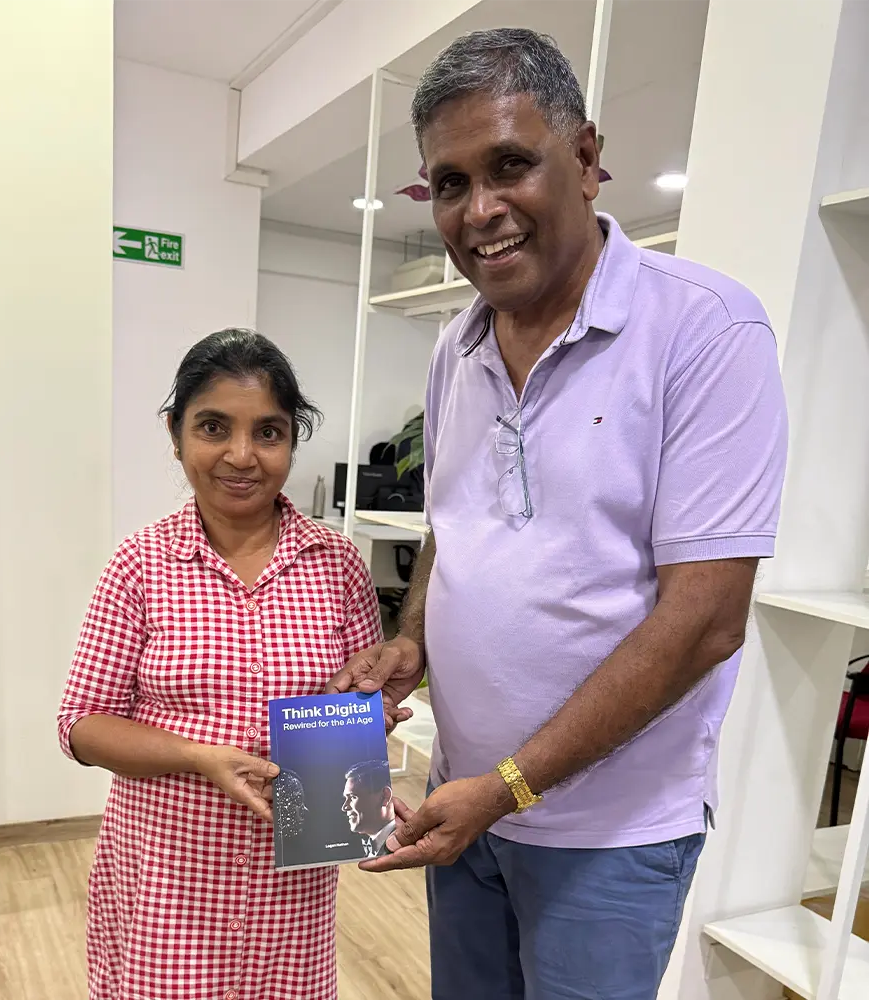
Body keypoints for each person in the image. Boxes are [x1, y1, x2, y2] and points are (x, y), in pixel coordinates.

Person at [327, 27, 788, 1000]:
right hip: (463, 806)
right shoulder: (457, 348)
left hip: (608, 838)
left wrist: (509, 787)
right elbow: (455, 526)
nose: (479, 210)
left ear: (584, 159)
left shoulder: (705, 329)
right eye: (450, 183)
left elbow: (706, 619)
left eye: (509, 166)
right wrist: (412, 640)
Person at [57, 329, 383, 1000]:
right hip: (167, 886)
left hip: (290, 892)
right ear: (176, 435)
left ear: (291, 441)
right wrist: (199, 757)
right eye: (213, 427)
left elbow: (358, 711)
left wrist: (366, 735)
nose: (241, 455)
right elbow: (81, 725)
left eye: (268, 432)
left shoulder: (338, 564)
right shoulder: (140, 564)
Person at [341, 759, 397, 857]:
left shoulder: (401, 848)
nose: (344, 807)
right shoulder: (371, 846)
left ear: (385, 796)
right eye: (346, 798)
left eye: (353, 797)